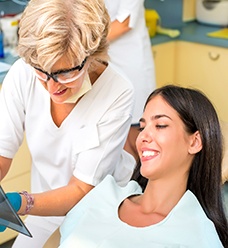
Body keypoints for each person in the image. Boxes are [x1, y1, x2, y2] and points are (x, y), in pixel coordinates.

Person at [0, 0, 136, 246]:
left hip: (99, 212)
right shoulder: (23, 72)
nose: (52, 87)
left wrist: (21, 202)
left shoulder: (117, 91)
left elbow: (81, 190)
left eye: (64, 73)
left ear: (91, 56)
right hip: (44, 206)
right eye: (42, 71)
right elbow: (1, 152)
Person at [59, 85, 228, 248]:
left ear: (194, 142)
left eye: (160, 125)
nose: (142, 137)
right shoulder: (104, 196)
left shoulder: (196, 237)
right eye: (142, 127)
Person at [104, 0, 156, 163]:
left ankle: (142, 185)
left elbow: (124, 22)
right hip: (104, 60)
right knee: (113, 131)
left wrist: (84, 44)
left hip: (130, 61)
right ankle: (122, 186)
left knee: (136, 133)